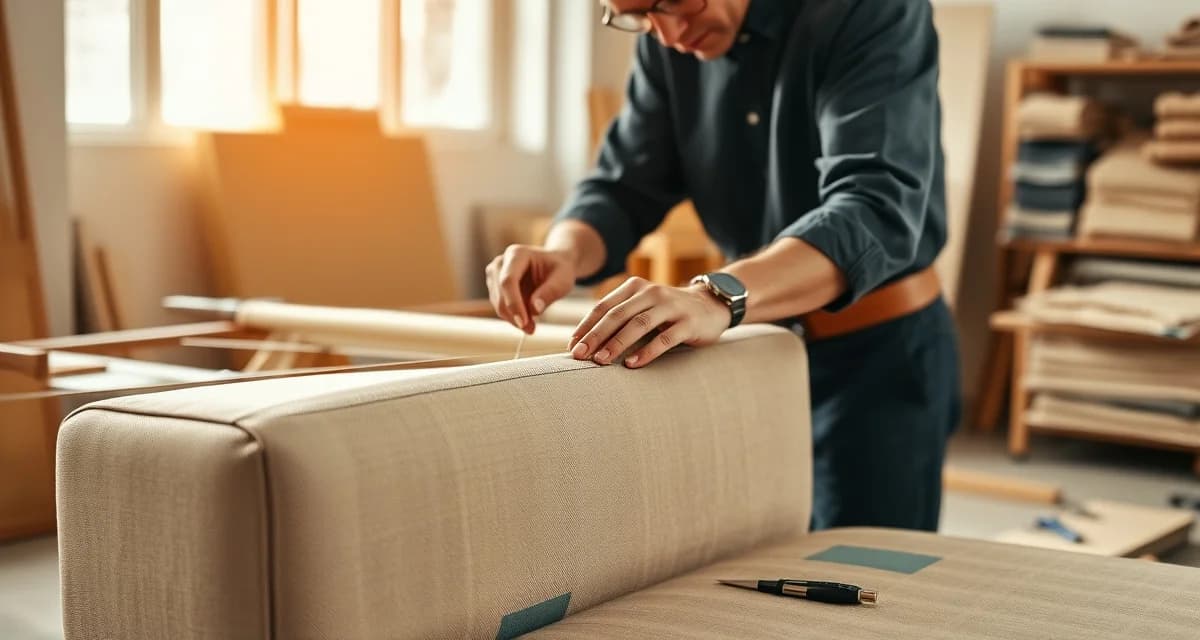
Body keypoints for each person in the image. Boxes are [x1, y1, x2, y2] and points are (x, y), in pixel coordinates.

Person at [484, 0, 961, 532]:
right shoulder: (669, 39)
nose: (667, 35)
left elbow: (873, 208)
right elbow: (623, 186)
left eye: (672, 3)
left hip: (876, 360)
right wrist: (565, 252)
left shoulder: (865, 11)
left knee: (866, 579)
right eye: (635, 15)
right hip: (751, 354)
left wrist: (717, 295)